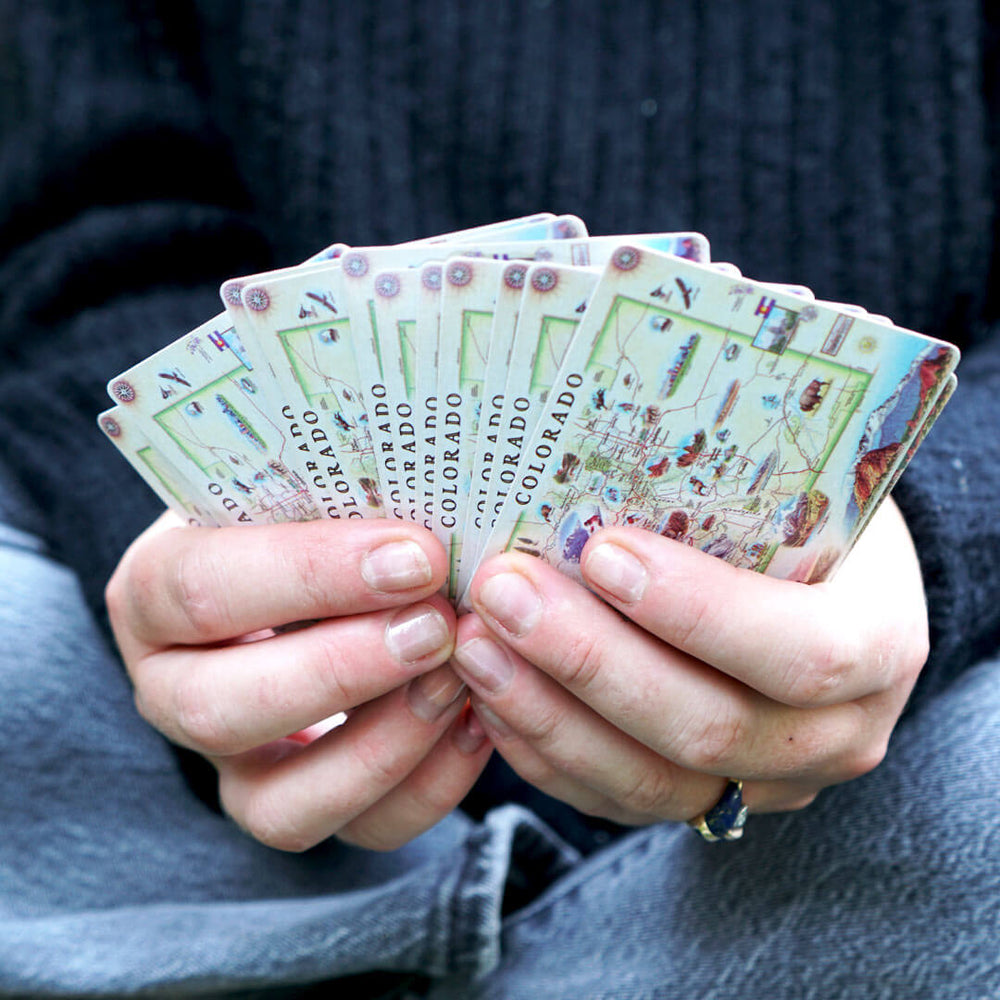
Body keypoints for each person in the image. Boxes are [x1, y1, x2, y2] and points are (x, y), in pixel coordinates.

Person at [0, 1, 998, 996]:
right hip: (219, 753)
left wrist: (928, 527)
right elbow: (87, 222)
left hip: (893, 759)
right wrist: (187, 561)